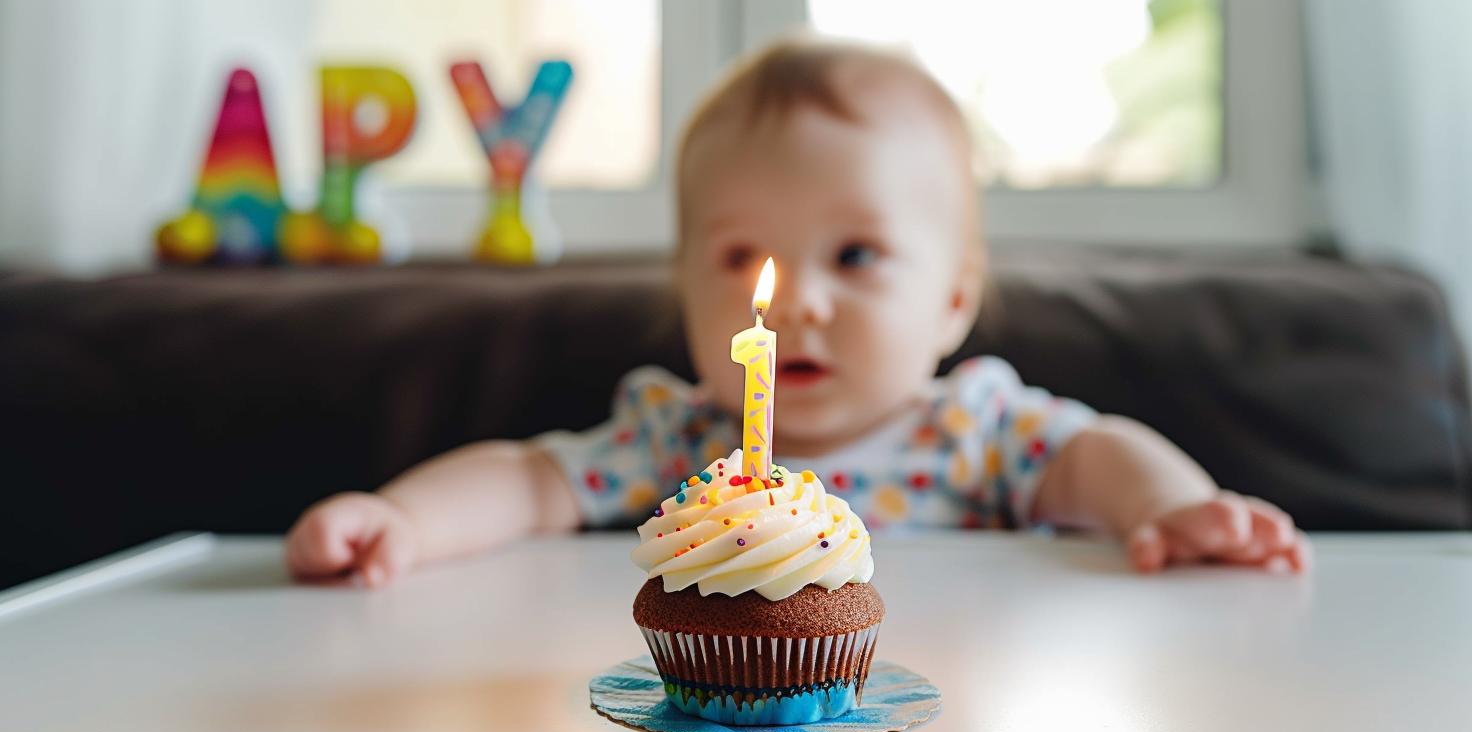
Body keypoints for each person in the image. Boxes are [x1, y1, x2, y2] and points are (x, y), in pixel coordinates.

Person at [285, 38, 1311, 587]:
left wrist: (1172, 510)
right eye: (740, 257)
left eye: (857, 255)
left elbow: (1098, 455)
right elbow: (526, 480)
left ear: (953, 296)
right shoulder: (682, 442)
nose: (794, 304)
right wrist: (402, 521)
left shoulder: (975, 434)